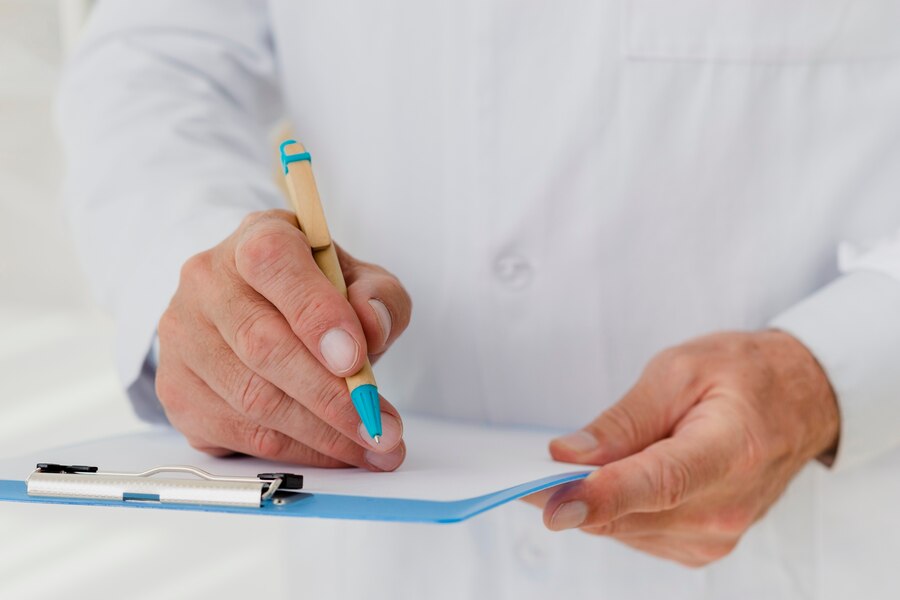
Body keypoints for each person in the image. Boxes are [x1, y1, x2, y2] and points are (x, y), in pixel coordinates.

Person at [59, 1, 900, 598]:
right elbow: (154, 61)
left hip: (815, 544)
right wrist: (212, 285)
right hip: (388, 561)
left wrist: (827, 373)